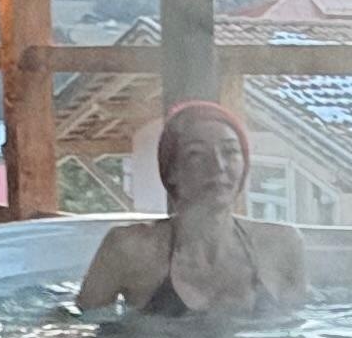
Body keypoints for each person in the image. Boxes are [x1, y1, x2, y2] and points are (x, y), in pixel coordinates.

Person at [77, 98, 309, 320]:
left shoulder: (282, 244)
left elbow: (297, 330)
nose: (218, 166)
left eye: (230, 152)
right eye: (196, 154)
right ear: (171, 171)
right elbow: (81, 327)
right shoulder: (129, 249)